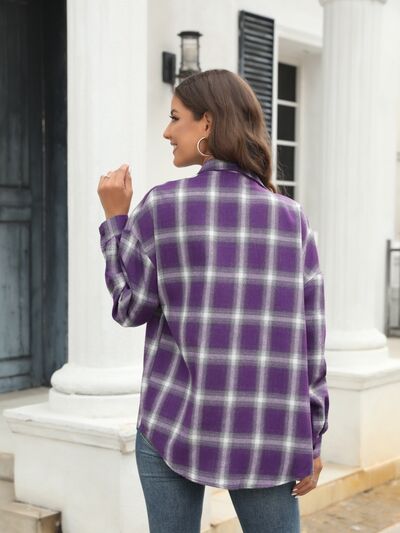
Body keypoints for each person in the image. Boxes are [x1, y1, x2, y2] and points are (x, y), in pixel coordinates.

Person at [97, 69, 329, 533]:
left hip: (172, 422)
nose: (166, 132)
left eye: (174, 117)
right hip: (267, 431)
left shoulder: (160, 207)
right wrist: (313, 434)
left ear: (207, 123)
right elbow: (312, 339)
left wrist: (115, 220)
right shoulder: (291, 219)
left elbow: (130, 307)